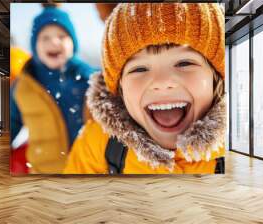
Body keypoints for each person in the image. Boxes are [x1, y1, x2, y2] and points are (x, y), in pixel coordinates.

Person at [64, 3, 226, 174]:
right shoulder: (98, 144)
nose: (161, 82)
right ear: (120, 88)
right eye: (139, 69)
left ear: (216, 77)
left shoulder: (240, 144)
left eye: (184, 63)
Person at [10, 6, 97, 173]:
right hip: (43, 171)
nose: (54, 42)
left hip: (85, 170)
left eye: (62, 36)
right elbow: (11, 125)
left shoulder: (91, 81)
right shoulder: (23, 87)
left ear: (73, 43)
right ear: (35, 46)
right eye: (45, 38)